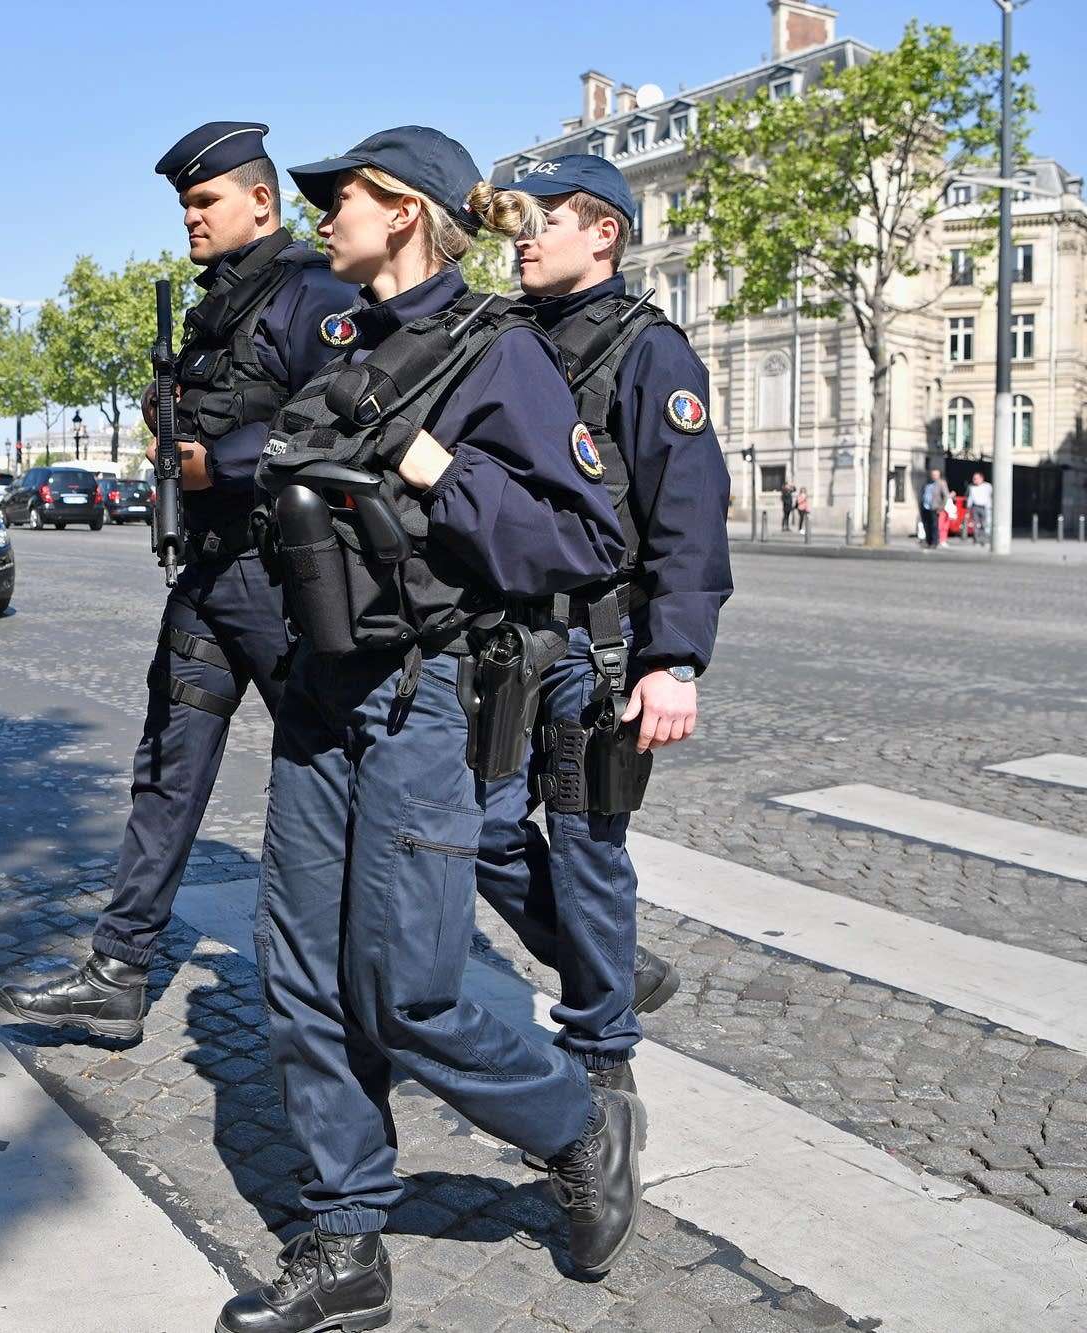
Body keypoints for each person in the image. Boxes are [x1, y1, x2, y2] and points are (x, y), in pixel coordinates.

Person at [222, 127, 637, 1332]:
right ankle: (343, 1240)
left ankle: (575, 1125)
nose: (322, 215)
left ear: (402, 210)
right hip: (321, 696)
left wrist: (426, 463)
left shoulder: (497, 354)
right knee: (299, 976)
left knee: (406, 990)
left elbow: (585, 541)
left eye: (339, 197)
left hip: (424, 698)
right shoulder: (343, 340)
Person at [0, 121, 355, 1040]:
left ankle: (381, 981)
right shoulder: (213, 308)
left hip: (286, 584)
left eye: (204, 202)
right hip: (210, 575)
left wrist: (215, 464)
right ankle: (117, 972)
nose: (190, 221)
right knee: (165, 773)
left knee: (331, 779)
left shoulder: (316, 293)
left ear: (262, 201)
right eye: (184, 206)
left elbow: (343, 422)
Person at [476, 155, 733, 1169]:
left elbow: (686, 511)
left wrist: (672, 658)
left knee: (587, 850)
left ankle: (600, 1054)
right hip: (502, 640)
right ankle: (612, 964)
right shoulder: (497, 337)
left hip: (598, 641)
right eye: (519, 222)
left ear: (604, 234)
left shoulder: (647, 352)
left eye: (544, 221)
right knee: (482, 832)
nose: (522, 237)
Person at [919, 468, 944, 547]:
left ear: (939, 476)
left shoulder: (941, 484)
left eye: (936, 475)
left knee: (934, 526)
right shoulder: (927, 483)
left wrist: (941, 507)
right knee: (926, 525)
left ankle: (934, 542)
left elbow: (946, 496)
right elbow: (922, 494)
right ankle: (928, 541)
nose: (934, 476)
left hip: (934, 508)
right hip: (925, 507)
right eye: (933, 475)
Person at [968, 470, 992, 543]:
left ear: (981, 478)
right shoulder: (971, 487)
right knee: (975, 523)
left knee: (984, 523)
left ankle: (983, 538)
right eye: (974, 478)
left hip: (985, 507)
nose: (974, 480)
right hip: (975, 507)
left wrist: (990, 506)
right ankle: (976, 538)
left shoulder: (988, 486)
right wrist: (968, 508)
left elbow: (991, 496)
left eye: (976, 478)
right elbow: (970, 498)